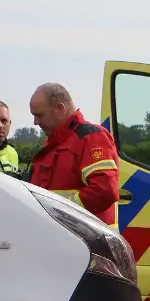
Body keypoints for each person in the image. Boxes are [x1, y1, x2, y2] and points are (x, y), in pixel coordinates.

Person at [28, 83, 119, 226]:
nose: (35, 122)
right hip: (64, 237)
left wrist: (58, 213)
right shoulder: (54, 143)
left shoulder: (91, 137)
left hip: (87, 240)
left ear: (60, 108)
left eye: (39, 115)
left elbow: (104, 191)